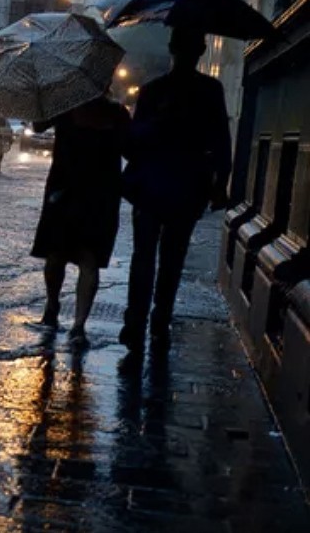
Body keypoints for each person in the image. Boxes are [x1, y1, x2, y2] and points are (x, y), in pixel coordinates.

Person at [119, 26, 232, 353]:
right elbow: (221, 141)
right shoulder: (211, 90)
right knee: (172, 258)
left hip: (152, 187)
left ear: (171, 48)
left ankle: (136, 322)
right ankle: (159, 321)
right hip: (188, 188)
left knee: (145, 257)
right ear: (202, 51)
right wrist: (220, 183)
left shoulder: (153, 91)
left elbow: (132, 145)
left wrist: (154, 126)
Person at [31, 94, 131, 345]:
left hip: (92, 196)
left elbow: (131, 149)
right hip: (73, 193)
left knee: (86, 259)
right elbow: (38, 125)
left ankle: (77, 324)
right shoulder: (67, 106)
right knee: (59, 256)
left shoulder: (115, 113)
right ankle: (55, 308)